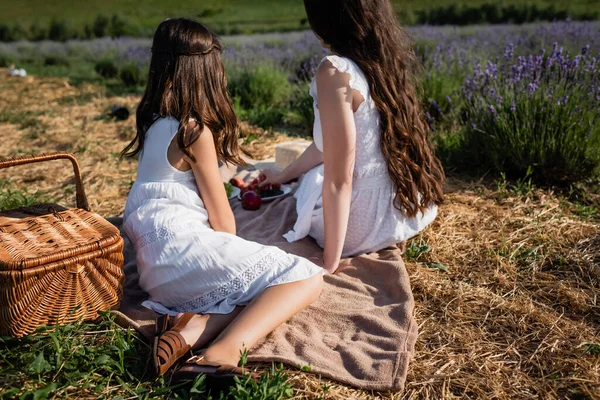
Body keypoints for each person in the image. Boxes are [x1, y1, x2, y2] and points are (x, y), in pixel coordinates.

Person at [121, 18, 323, 383]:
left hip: (156, 271)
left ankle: (190, 331)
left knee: (248, 292)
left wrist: (222, 173)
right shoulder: (194, 129)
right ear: (208, 73)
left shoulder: (154, 124)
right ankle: (219, 354)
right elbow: (224, 224)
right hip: (183, 253)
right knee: (304, 277)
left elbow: (175, 181)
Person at [260, 0, 445, 274]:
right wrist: (283, 175)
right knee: (311, 175)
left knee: (314, 181)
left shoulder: (334, 70)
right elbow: (329, 147)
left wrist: (330, 261)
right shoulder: (382, 62)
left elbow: (339, 179)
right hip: (401, 210)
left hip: (358, 224)